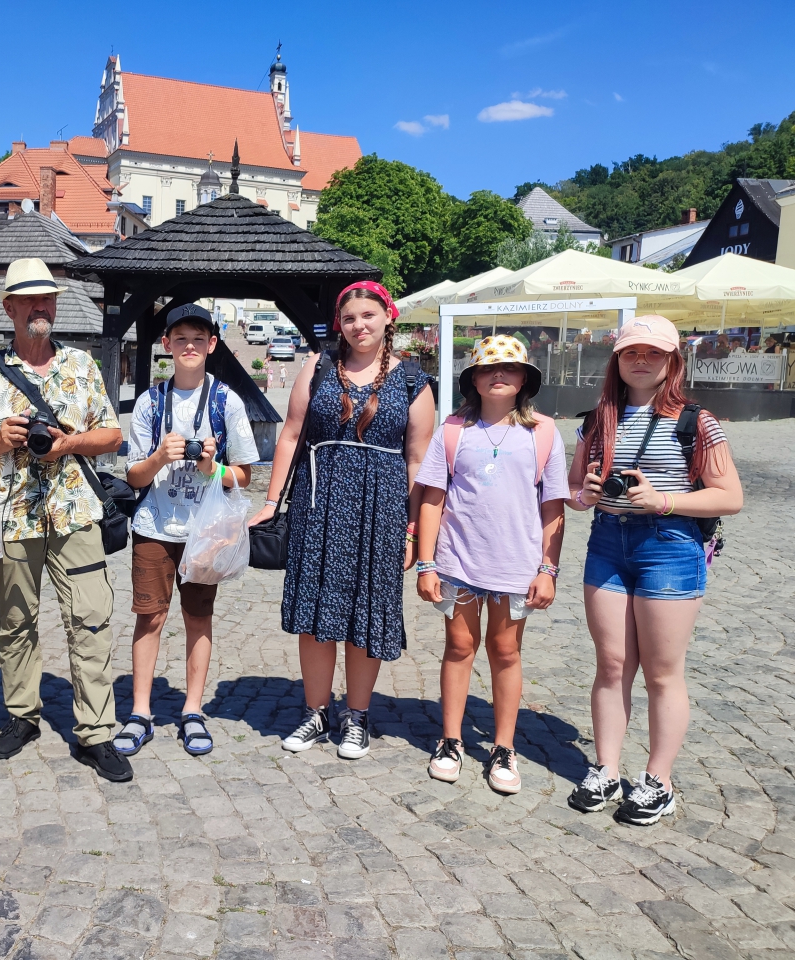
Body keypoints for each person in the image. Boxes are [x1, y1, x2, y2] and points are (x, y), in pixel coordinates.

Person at [0, 258, 130, 782]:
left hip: (75, 512)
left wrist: (68, 443)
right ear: (9, 308)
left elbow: (112, 435)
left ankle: (96, 733)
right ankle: (22, 716)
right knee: (16, 621)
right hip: (10, 517)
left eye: (47, 298)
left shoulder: (82, 365)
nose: (40, 307)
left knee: (91, 621)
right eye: (29, 300)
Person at [566, 315, 742, 825]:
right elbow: (574, 490)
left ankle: (658, 780)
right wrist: (588, 495)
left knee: (663, 674)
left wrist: (663, 499)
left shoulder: (697, 420)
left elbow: (730, 496)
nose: (640, 361)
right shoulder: (598, 419)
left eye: (653, 354)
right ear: (617, 360)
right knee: (613, 665)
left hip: (669, 545)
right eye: (630, 353)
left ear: (672, 362)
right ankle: (606, 767)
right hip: (607, 545)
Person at [249, 281, 435, 758]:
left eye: (368, 316)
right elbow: (290, 436)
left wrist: (414, 530)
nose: (359, 326)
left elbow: (419, 460)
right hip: (319, 500)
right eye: (349, 318)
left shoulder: (413, 379)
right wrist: (272, 504)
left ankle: (358, 715)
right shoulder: (317, 367)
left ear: (387, 317)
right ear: (340, 323)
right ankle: (316, 713)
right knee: (315, 615)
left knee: (366, 613)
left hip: (381, 507)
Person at [414, 336, 568, 794]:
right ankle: (451, 739)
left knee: (506, 652)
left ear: (524, 379)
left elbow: (553, 507)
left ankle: (503, 747)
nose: (498, 375)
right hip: (459, 561)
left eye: (509, 368)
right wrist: (426, 563)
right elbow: (432, 500)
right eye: (487, 369)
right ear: (473, 380)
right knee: (459, 646)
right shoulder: (454, 430)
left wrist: (548, 568)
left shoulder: (542, 431)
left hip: (516, 565)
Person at [113, 304, 259, 758]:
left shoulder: (226, 401)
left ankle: (192, 710)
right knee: (149, 617)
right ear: (167, 346)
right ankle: (140, 712)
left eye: (198, 338)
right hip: (155, 525)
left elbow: (245, 476)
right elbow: (134, 477)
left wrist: (212, 467)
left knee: (198, 619)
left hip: (206, 530)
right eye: (181, 339)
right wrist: (159, 457)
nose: (190, 346)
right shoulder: (149, 402)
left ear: (212, 345)